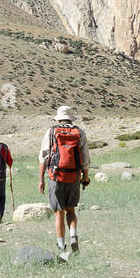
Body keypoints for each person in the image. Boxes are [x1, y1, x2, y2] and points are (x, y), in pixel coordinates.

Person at [38, 105, 90, 259]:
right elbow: (85, 158)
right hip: (73, 175)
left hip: (56, 176)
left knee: (58, 212)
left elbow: (43, 157)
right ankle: (73, 235)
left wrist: (41, 180)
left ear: (58, 118)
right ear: (70, 118)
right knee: (71, 210)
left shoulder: (52, 132)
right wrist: (85, 177)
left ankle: (61, 245)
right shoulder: (79, 132)